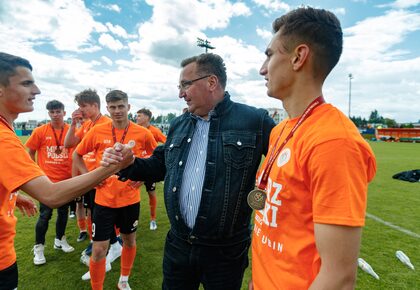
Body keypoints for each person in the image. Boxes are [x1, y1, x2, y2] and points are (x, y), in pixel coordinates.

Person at [102, 53, 275, 290]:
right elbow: (159, 165)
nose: (180, 93)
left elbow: (285, 171)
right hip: (178, 246)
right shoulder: (180, 123)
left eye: (185, 84)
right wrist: (128, 163)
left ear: (211, 82)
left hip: (225, 252)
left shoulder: (254, 120)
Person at [249, 7, 377, 289]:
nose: (262, 68)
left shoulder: (334, 143)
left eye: (269, 55)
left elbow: (339, 278)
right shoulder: (281, 130)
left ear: (298, 57)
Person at [0, 52, 133, 290]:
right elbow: (55, 189)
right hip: (3, 258)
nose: (37, 90)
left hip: (104, 189)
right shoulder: (5, 138)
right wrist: (112, 167)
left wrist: (13, 194)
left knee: (109, 232)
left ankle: (111, 256)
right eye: (27, 83)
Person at [73, 90, 157, 290]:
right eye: (112, 107)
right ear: (107, 109)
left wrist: (145, 177)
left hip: (130, 200)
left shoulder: (143, 133)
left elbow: (158, 160)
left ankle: (123, 280)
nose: (117, 111)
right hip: (103, 201)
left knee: (129, 241)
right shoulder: (97, 131)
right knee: (99, 249)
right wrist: (91, 179)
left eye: (121, 106)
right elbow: (77, 155)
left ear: (128, 107)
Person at [64, 89, 122, 264]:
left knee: (101, 215)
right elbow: (69, 144)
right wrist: (74, 124)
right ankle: (105, 244)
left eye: (83, 106)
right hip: (92, 179)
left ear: (95, 105)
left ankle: (110, 246)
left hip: (103, 180)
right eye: (79, 107)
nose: (80, 110)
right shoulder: (88, 124)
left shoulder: (107, 124)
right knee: (94, 214)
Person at [25, 100, 75, 265]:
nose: (55, 115)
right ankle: (39, 248)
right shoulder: (40, 131)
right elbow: (30, 152)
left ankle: (59, 240)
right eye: (52, 112)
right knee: (45, 215)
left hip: (66, 181)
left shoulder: (71, 131)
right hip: (47, 183)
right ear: (48, 114)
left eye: (58, 111)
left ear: (64, 113)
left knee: (63, 213)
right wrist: (36, 172)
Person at [136, 108, 166, 230]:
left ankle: (153, 219)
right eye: (136, 116)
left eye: (139, 116)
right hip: (137, 166)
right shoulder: (134, 129)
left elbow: (167, 142)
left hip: (149, 168)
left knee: (151, 192)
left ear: (147, 118)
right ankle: (130, 220)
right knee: (131, 192)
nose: (137, 118)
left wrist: (156, 156)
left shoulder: (154, 131)